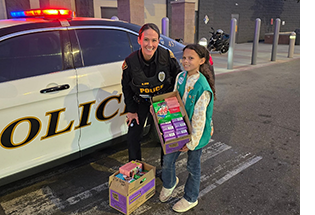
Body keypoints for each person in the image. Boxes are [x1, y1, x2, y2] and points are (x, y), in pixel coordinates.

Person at [159, 44, 216, 213]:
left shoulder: (202, 87)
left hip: (195, 134)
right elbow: (174, 99)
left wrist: (191, 142)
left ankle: (191, 197)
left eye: (191, 58)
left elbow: (199, 120)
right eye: (184, 57)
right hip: (179, 128)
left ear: (202, 61)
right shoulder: (181, 77)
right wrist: (160, 108)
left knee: (193, 166)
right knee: (168, 160)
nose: (185, 61)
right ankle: (169, 183)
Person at [121, 23, 181, 162]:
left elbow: (179, 79)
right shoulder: (130, 61)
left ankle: (166, 170)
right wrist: (131, 111)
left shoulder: (166, 56)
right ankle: (135, 169)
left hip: (162, 102)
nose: (150, 44)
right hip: (140, 102)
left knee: (167, 135)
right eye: (146, 39)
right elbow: (126, 87)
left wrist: (171, 104)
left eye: (154, 40)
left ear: (158, 41)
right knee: (133, 135)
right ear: (139, 40)